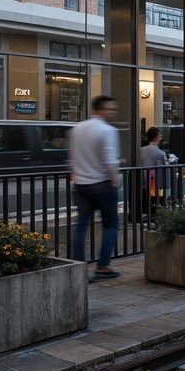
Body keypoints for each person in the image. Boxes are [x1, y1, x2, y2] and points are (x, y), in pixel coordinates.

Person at [69, 95, 121, 278]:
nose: (112, 112)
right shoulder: (108, 131)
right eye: (110, 109)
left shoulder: (77, 129)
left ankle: (79, 268)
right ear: (100, 109)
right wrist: (115, 180)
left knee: (81, 226)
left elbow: (73, 158)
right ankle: (102, 266)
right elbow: (110, 161)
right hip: (102, 183)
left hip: (82, 185)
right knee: (111, 224)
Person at [139, 126, 169, 225]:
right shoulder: (160, 153)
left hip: (141, 178)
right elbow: (163, 166)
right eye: (160, 135)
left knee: (147, 193)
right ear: (156, 137)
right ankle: (156, 209)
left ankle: (147, 211)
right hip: (152, 178)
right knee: (155, 194)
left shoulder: (141, 150)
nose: (161, 137)